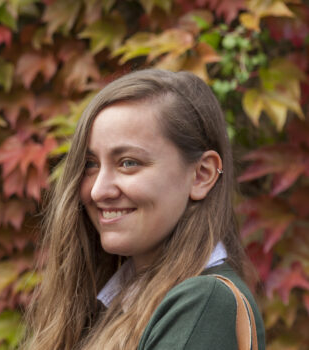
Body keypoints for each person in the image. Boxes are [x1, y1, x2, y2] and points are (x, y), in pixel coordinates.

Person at [23, 69, 265, 349]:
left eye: (128, 162)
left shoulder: (204, 303)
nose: (98, 190)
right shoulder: (115, 303)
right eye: (90, 164)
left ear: (201, 175)